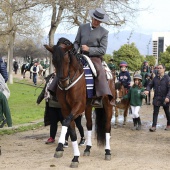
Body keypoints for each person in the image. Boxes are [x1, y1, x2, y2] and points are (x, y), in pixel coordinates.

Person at [74, 7, 113, 106]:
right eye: (95, 19)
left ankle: (98, 96)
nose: (96, 22)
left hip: (94, 57)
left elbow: (103, 50)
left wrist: (89, 49)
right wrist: (74, 51)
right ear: (92, 18)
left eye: (99, 21)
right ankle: (53, 90)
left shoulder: (104, 32)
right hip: (80, 55)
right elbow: (76, 42)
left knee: (100, 72)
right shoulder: (82, 27)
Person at [36, 70, 64, 144]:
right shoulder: (50, 78)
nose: (55, 70)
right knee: (53, 122)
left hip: (61, 105)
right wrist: (39, 99)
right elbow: (45, 90)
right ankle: (52, 137)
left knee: (65, 123)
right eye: (55, 68)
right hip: (51, 104)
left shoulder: (63, 78)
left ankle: (66, 138)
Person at [144, 64, 170, 132]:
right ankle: (154, 126)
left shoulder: (167, 78)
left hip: (165, 98)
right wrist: (147, 90)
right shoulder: (155, 78)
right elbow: (150, 85)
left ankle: (169, 124)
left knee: (167, 112)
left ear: (164, 69)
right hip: (157, 98)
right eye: (158, 68)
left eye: (160, 68)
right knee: (155, 112)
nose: (158, 69)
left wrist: (168, 97)